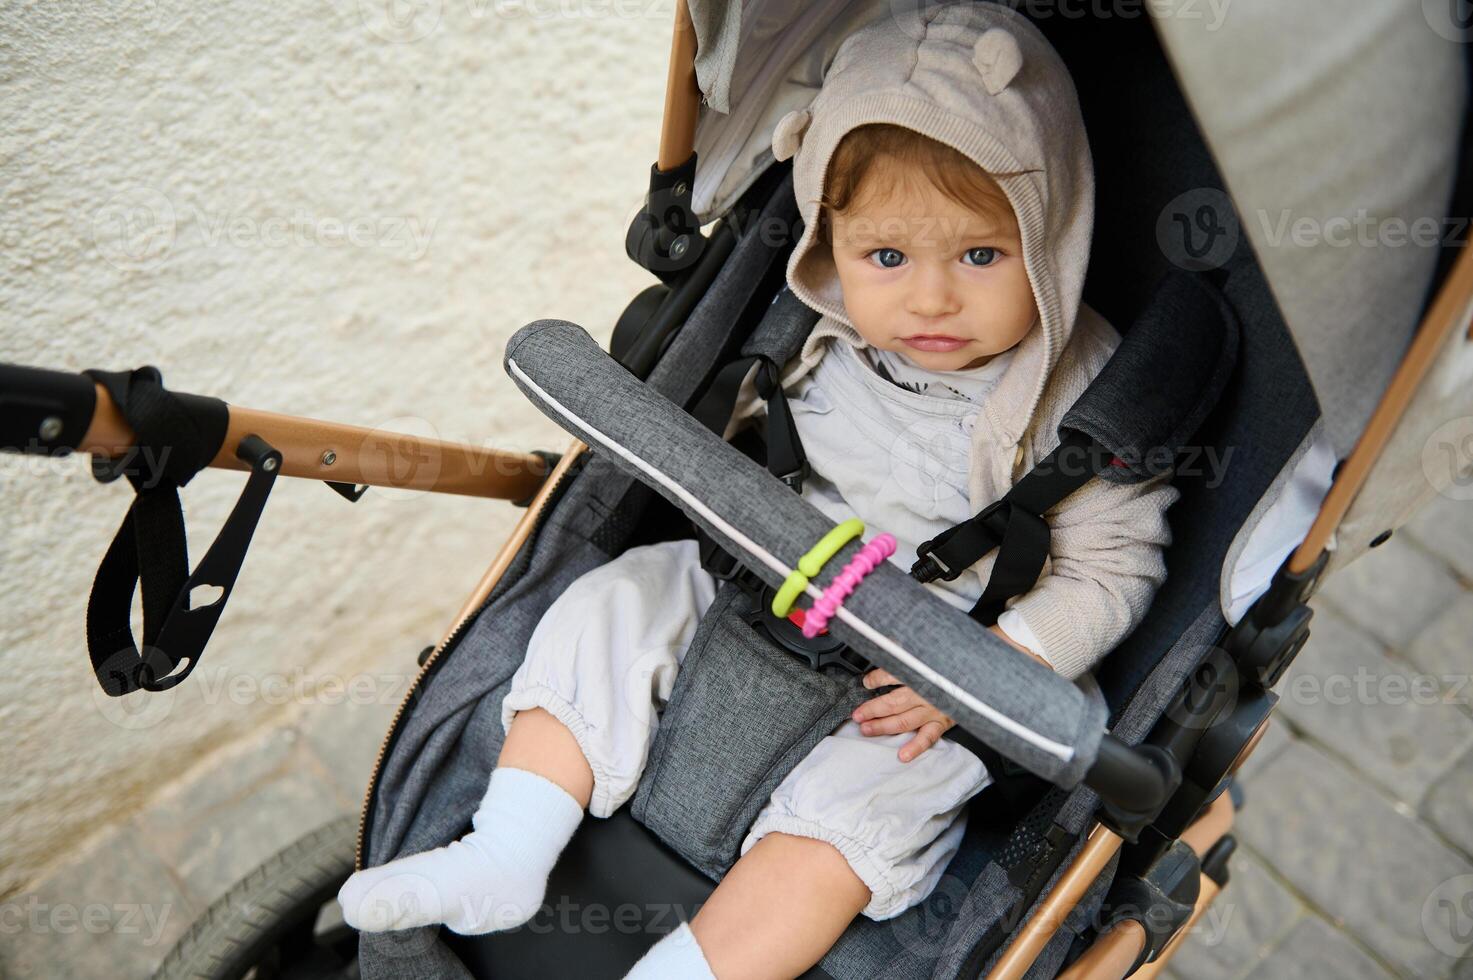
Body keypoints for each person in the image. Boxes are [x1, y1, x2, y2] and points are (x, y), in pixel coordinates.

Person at [338, 5, 1178, 977]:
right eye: (888, 257)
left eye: (981, 255)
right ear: (834, 236)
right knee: (614, 601)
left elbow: (1119, 566)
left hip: (932, 666)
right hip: (769, 581)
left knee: (861, 816)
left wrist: (994, 666)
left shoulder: (1078, 390)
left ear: (1051, 237)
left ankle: (696, 968)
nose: (932, 298)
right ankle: (509, 844)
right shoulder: (810, 321)